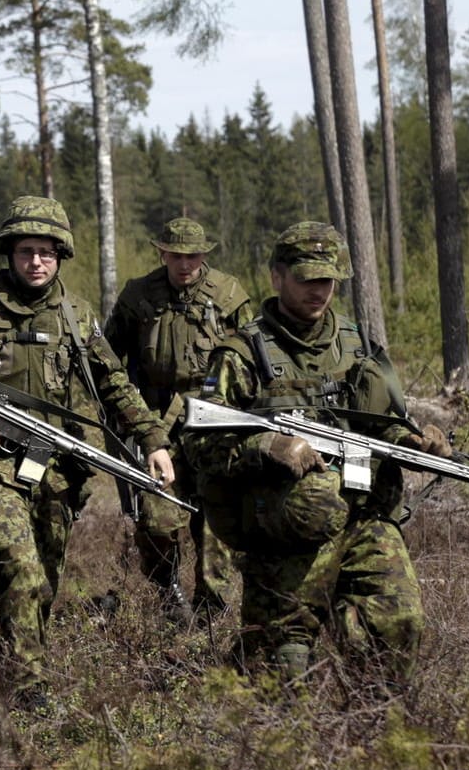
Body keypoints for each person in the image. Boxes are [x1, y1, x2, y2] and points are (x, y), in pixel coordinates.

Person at [0, 196, 173, 703]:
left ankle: (16, 665)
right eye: (27, 250)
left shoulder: (76, 315)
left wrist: (153, 440)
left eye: (46, 252)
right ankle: (30, 689)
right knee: (21, 567)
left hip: (55, 470)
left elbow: (115, 382)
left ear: (60, 255)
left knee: (44, 582)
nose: (36, 262)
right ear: (10, 252)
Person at [181, 222, 448, 686]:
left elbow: (383, 425)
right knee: (280, 671)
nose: (319, 291)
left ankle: (370, 735)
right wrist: (268, 445)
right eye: (307, 279)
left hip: (363, 516)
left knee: (398, 624)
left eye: (327, 280)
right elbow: (200, 443)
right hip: (286, 528)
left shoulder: (358, 345)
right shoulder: (243, 353)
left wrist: (416, 443)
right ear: (277, 277)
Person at [104, 217, 252, 622]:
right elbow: (105, 359)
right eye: (176, 255)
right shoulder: (138, 295)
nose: (185, 264)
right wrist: (123, 416)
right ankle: (168, 598)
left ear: (204, 255)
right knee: (156, 520)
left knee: (215, 524)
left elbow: (255, 361)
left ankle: (212, 615)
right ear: (162, 253)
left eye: (194, 256)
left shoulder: (229, 294)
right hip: (156, 426)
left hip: (215, 426)